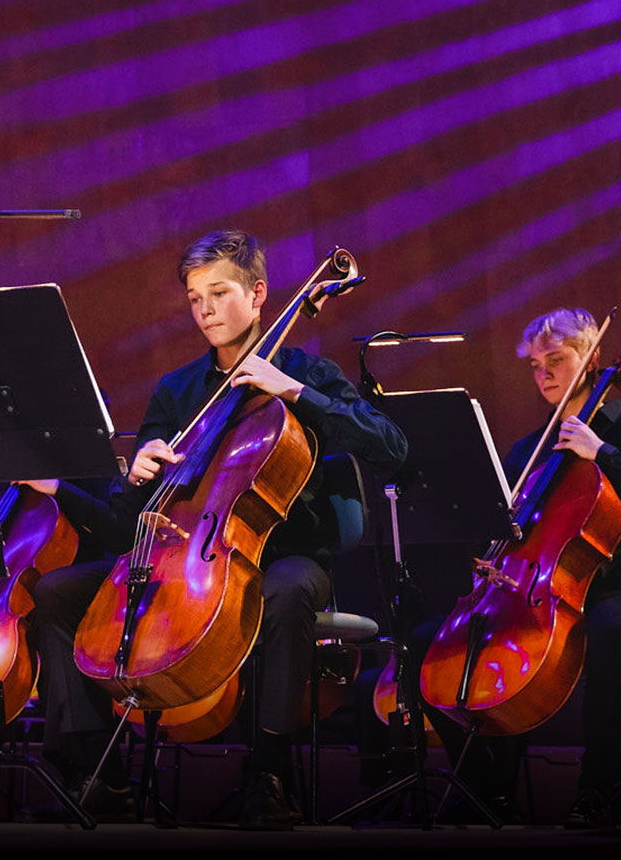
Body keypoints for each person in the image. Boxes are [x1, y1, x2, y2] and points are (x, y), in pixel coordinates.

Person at [24, 230, 407, 828]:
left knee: (283, 591)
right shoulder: (178, 393)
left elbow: (392, 446)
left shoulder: (306, 371)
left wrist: (297, 392)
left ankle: (269, 773)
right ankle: (95, 773)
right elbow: (128, 527)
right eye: (194, 297)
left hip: (286, 555)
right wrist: (134, 480)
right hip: (190, 556)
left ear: (257, 295)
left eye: (218, 292)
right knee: (56, 593)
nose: (204, 309)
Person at [502, 307, 621, 827]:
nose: (543, 374)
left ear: (590, 359)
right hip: (544, 590)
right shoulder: (530, 449)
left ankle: (598, 790)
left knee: (608, 630)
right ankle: (490, 793)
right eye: (536, 365)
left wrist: (601, 452)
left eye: (556, 360)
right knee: (450, 639)